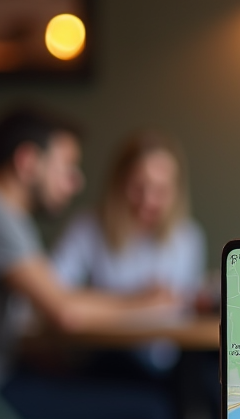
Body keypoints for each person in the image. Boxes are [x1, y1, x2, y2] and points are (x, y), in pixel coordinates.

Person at [0, 106, 177, 419]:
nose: (76, 181)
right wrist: (145, 302)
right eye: (66, 167)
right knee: (151, 412)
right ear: (28, 161)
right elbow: (64, 311)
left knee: (112, 386)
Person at [52, 130, 206, 371]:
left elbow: (182, 313)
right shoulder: (86, 228)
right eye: (138, 186)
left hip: (167, 365)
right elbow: (52, 299)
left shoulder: (187, 237)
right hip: (101, 360)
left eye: (160, 189)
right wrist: (139, 302)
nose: (148, 200)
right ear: (119, 183)